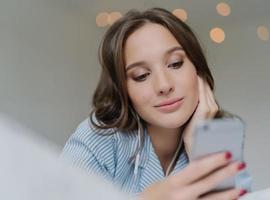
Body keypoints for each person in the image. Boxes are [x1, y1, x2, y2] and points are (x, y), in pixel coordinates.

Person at [62, 7, 251, 200]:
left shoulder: (219, 137)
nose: (164, 85)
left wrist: (202, 147)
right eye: (141, 76)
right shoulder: (99, 136)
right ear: (123, 90)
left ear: (198, 69)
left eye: (176, 63)